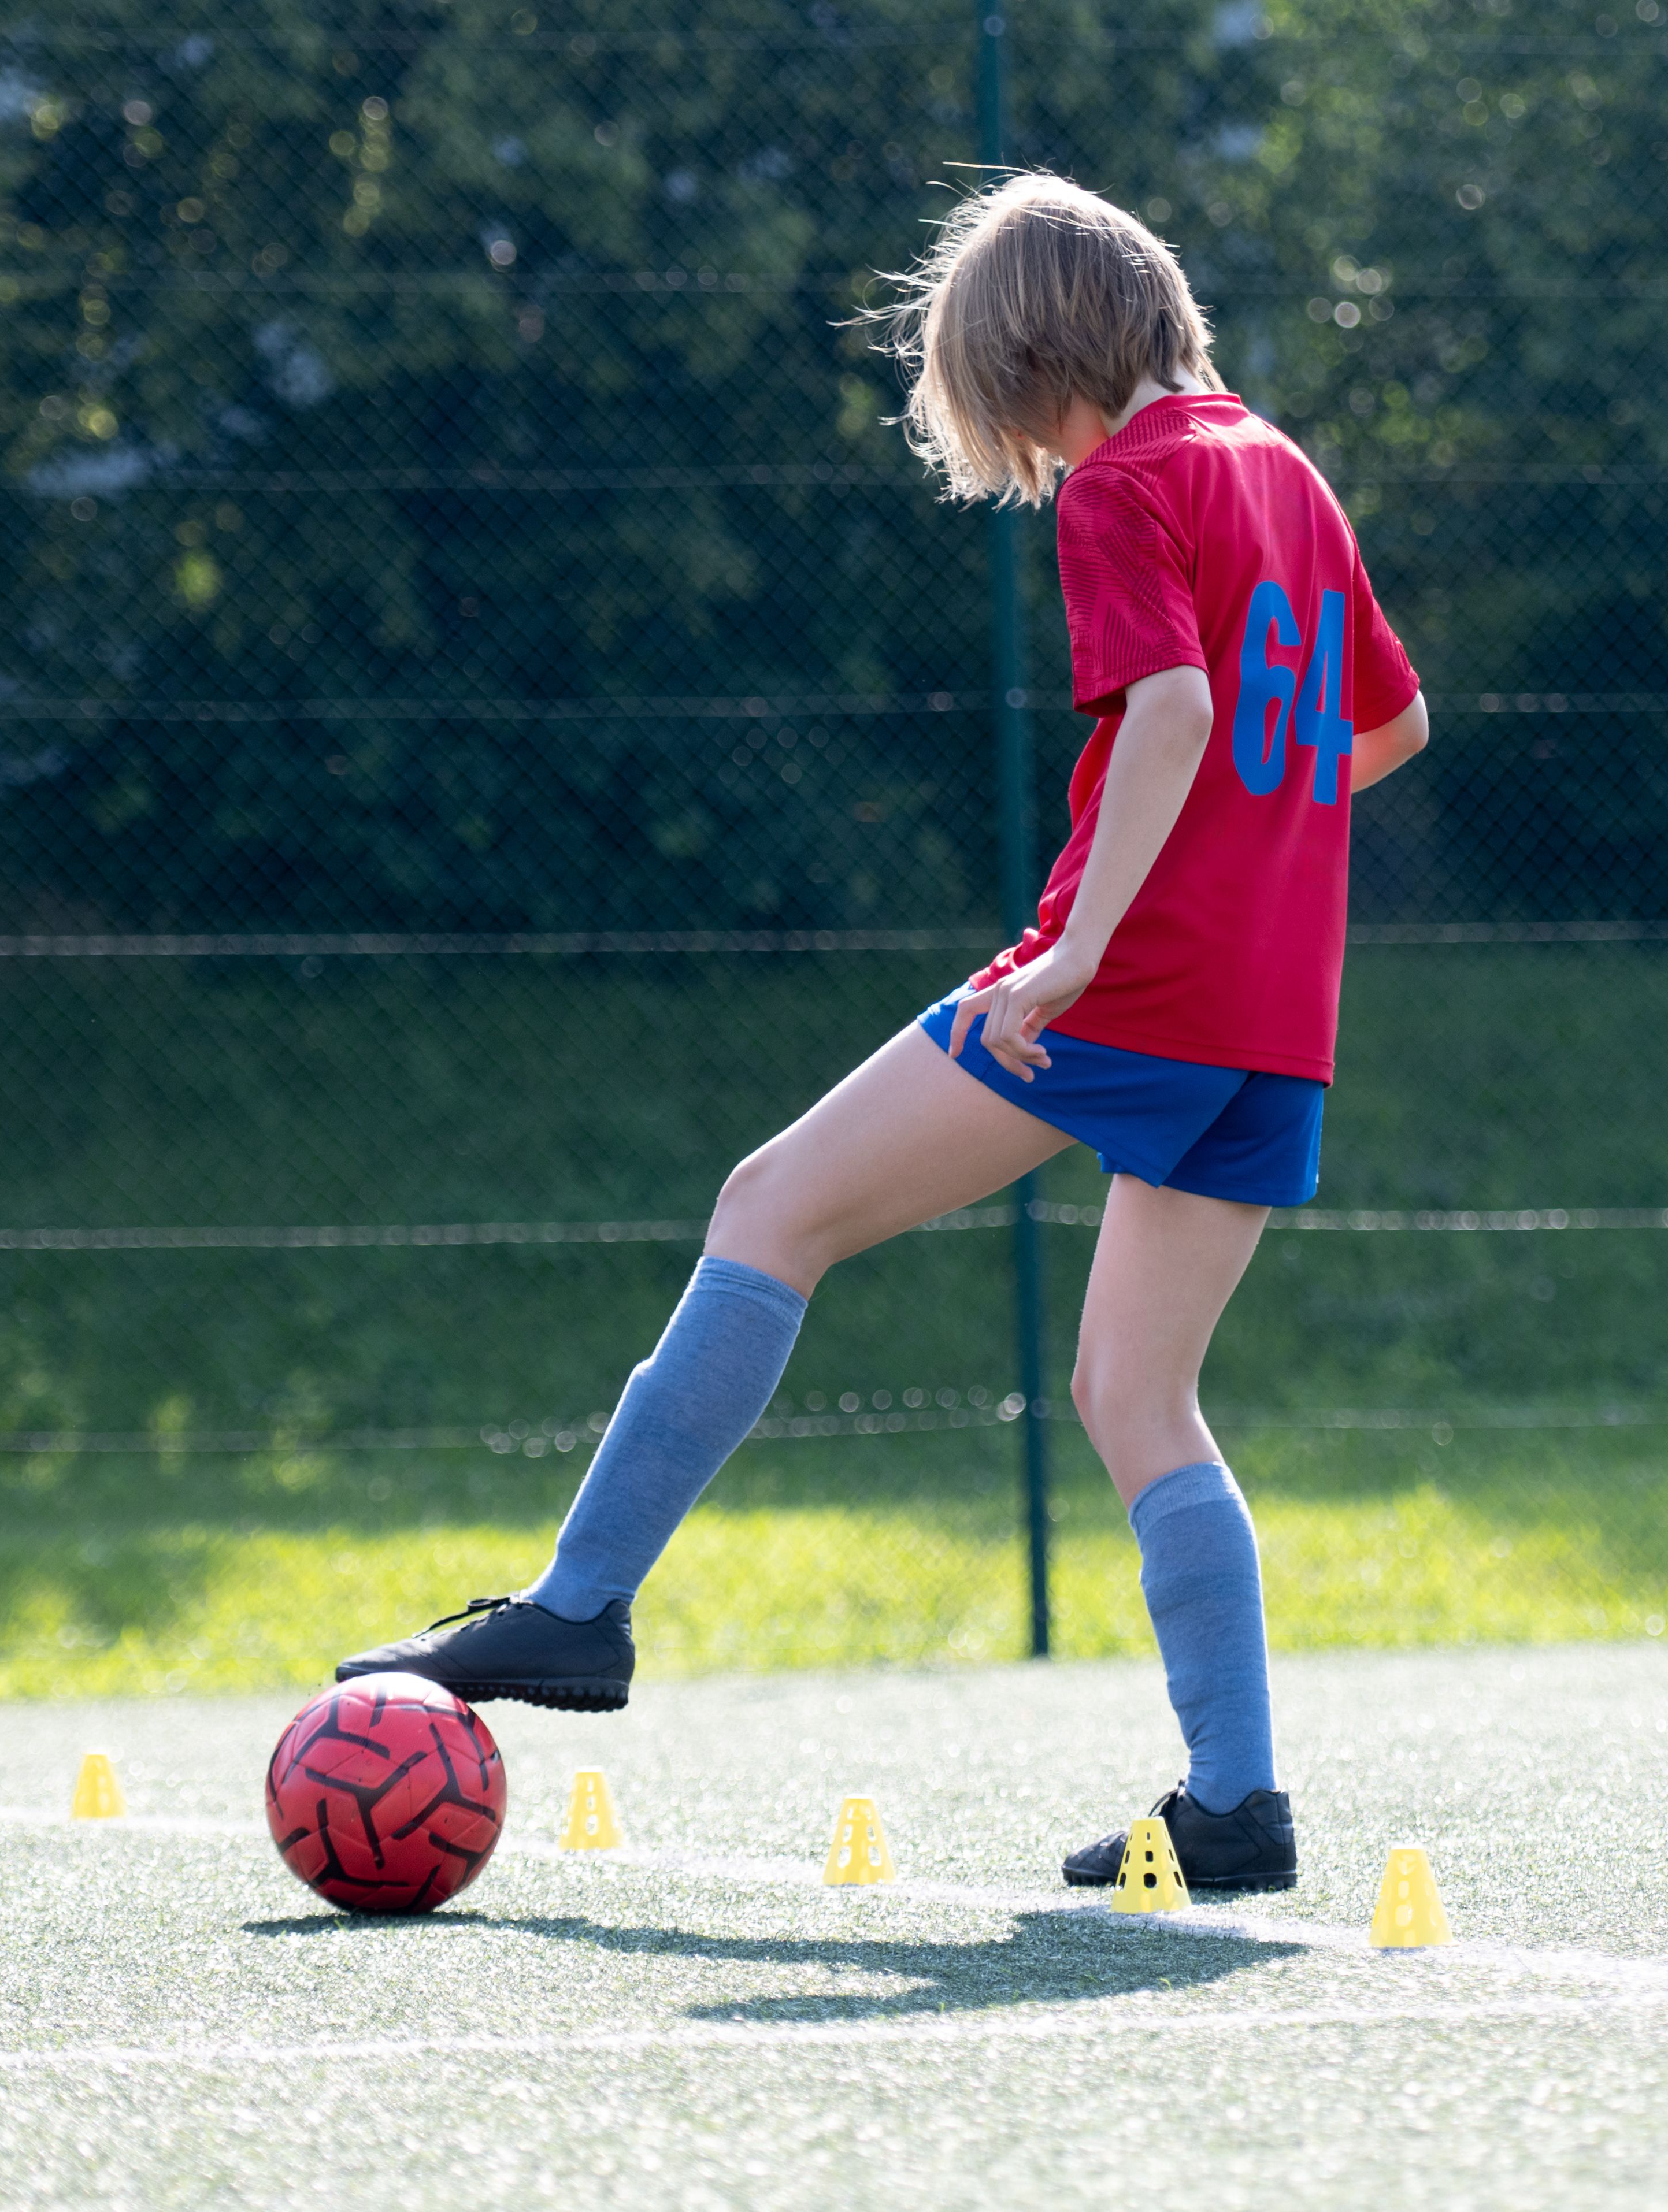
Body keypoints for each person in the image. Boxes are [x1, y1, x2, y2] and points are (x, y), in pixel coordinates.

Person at [335, 172, 1429, 1892]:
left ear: (1019, 359)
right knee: (1135, 1391)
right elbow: (1386, 724)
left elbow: (1171, 708)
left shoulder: (1127, 483)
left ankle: (578, 1609)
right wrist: (1254, 854)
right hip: (1277, 1004)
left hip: (1130, 983)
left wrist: (1075, 946)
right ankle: (1237, 1805)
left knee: (772, 1206)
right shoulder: (1280, 466)